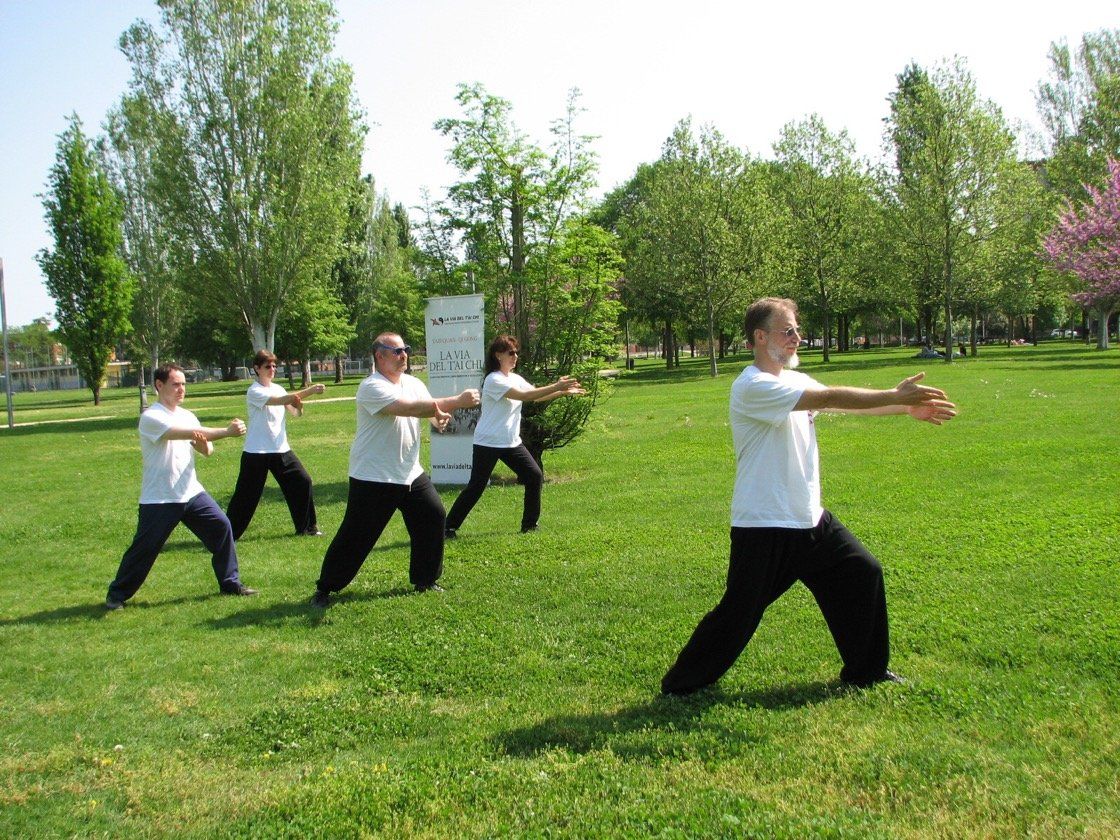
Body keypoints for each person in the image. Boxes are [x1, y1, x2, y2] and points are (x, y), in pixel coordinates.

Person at [661, 297, 956, 694]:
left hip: (810, 519)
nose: (797, 337)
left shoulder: (793, 380)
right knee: (739, 613)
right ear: (760, 337)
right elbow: (832, 397)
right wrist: (893, 394)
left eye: (798, 329)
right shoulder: (752, 386)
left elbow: (849, 407)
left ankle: (866, 671)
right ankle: (682, 684)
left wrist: (902, 410)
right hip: (765, 525)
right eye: (788, 330)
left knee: (862, 573)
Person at [310, 333, 480, 607]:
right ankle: (326, 588)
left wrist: (440, 419)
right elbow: (409, 409)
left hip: (409, 472)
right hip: (374, 476)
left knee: (433, 516)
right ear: (380, 355)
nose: (404, 355)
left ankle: (426, 580)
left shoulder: (413, 383)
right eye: (397, 351)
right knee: (357, 535)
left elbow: (428, 411)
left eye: (406, 350)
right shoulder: (371, 387)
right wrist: (456, 401)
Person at [106, 364, 257, 609]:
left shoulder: (187, 415)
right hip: (161, 497)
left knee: (222, 527)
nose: (181, 389)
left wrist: (202, 446)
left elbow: (206, 448)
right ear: (159, 385)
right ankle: (117, 594)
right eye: (176, 384)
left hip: (191, 492)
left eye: (184, 384)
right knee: (145, 548)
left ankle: (230, 583)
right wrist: (227, 432)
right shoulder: (151, 417)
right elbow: (186, 433)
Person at [444, 334, 584, 538]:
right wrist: (556, 385)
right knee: (476, 487)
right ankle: (447, 527)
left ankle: (530, 526)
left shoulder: (515, 378)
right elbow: (525, 396)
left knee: (534, 476)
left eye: (516, 352)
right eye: (511, 352)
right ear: (498, 355)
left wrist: (561, 392)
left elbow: (536, 396)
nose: (515, 356)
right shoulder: (494, 380)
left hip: (510, 442)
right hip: (488, 442)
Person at [226, 349, 325, 539]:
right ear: (256, 368)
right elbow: (280, 401)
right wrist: (310, 391)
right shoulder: (254, 391)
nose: (272, 369)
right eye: (267, 366)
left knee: (302, 482)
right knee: (246, 496)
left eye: (274, 366)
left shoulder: (278, 388)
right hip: (257, 452)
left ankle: (307, 528)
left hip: (281, 449)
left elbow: (294, 411)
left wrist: (299, 407)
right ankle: (227, 534)